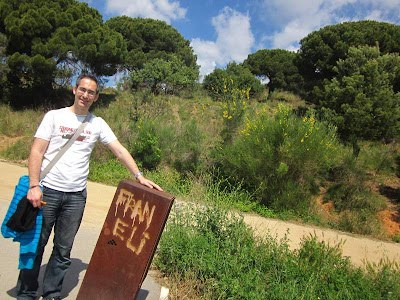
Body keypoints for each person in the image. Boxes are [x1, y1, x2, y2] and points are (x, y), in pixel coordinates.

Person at [17, 73, 162, 300]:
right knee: (36, 245)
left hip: (75, 197)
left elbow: (120, 150)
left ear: (95, 97)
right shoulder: (54, 117)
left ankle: (52, 293)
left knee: (63, 251)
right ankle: (26, 292)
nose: (85, 95)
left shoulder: (97, 124)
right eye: (82, 89)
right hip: (48, 191)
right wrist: (34, 185)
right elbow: (37, 151)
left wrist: (139, 175)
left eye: (91, 92)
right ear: (74, 90)